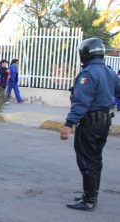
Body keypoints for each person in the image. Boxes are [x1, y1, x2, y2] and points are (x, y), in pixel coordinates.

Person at [60, 38, 120, 211]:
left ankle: (88, 200)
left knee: (87, 160)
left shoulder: (88, 73)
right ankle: (92, 194)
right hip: (104, 123)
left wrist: (68, 124)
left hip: (90, 123)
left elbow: (81, 103)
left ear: (85, 53)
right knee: (95, 159)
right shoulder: (109, 71)